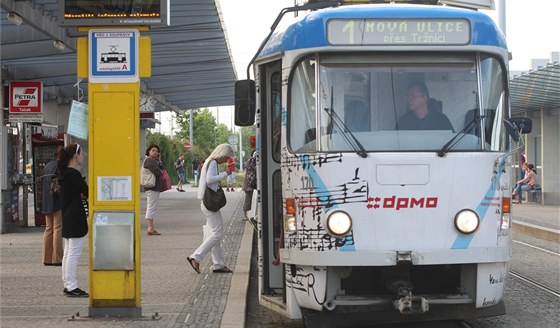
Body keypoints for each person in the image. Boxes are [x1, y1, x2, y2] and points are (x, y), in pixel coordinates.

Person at [187, 144, 234, 274]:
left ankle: (218, 264)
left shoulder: (208, 161)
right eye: (226, 157)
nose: (226, 160)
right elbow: (209, 180)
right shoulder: (212, 162)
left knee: (213, 233)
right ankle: (195, 257)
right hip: (210, 203)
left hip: (206, 201)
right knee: (217, 233)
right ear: (222, 154)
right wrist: (225, 173)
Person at [58, 143, 89, 297]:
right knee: (73, 253)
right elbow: (87, 191)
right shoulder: (73, 174)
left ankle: (67, 283)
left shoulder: (64, 173)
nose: (82, 156)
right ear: (75, 156)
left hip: (67, 215)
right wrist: (83, 193)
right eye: (81, 153)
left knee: (68, 252)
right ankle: (71, 286)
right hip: (76, 216)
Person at [41, 149, 63, 266]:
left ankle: (47, 258)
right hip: (57, 201)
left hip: (46, 202)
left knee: (48, 229)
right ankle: (57, 258)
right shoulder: (59, 166)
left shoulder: (47, 166)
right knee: (58, 228)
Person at [144, 144, 164, 235]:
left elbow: (161, 168)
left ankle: (151, 227)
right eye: (153, 150)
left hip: (153, 187)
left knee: (152, 207)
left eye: (156, 151)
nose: (155, 152)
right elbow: (158, 172)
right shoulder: (149, 161)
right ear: (148, 151)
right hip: (152, 187)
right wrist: (158, 164)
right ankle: (150, 227)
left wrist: (159, 160)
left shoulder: (153, 161)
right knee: (151, 207)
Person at [242, 150, 257, 221]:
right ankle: (245, 215)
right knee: (248, 199)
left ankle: (245, 215)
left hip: (249, 182)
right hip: (253, 181)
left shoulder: (248, 162)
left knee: (247, 199)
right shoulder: (253, 162)